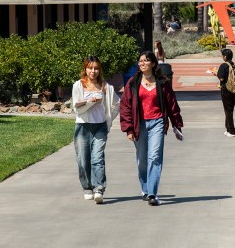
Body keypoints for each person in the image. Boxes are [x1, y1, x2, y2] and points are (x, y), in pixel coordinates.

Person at [119, 51, 183, 206]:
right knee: (142, 160)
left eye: (146, 61)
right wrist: (128, 128)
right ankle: (145, 189)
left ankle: (153, 193)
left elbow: (171, 104)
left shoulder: (162, 82)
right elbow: (125, 106)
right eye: (140, 61)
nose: (142, 63)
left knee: (154, 157)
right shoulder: (133, 82)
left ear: (153, 64)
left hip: (157, 122)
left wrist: (176, 125)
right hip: (139, 124)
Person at [71, 55, 120, 204]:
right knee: (83, 159)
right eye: (90, 68)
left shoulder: (106, 87)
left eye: (96, 68)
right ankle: (87, 187)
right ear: (85, 69)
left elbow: (116, 104)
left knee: (97, 158)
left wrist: (108, 120)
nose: (93, 71)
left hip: (100, 126)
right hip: (82, 126)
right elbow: (76, 108)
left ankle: (99, 188)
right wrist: (89, 102)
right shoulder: (78, 85)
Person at [215, 48, 235, 137]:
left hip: (226, 90)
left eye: (222, 56)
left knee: (228, 110)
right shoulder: (233, 65)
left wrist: (215, 73)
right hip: (234, 90)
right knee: (230, 109)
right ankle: (228, 128)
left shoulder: (224, 65)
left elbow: (221, 78)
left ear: (225, 57)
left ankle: (232, 131)